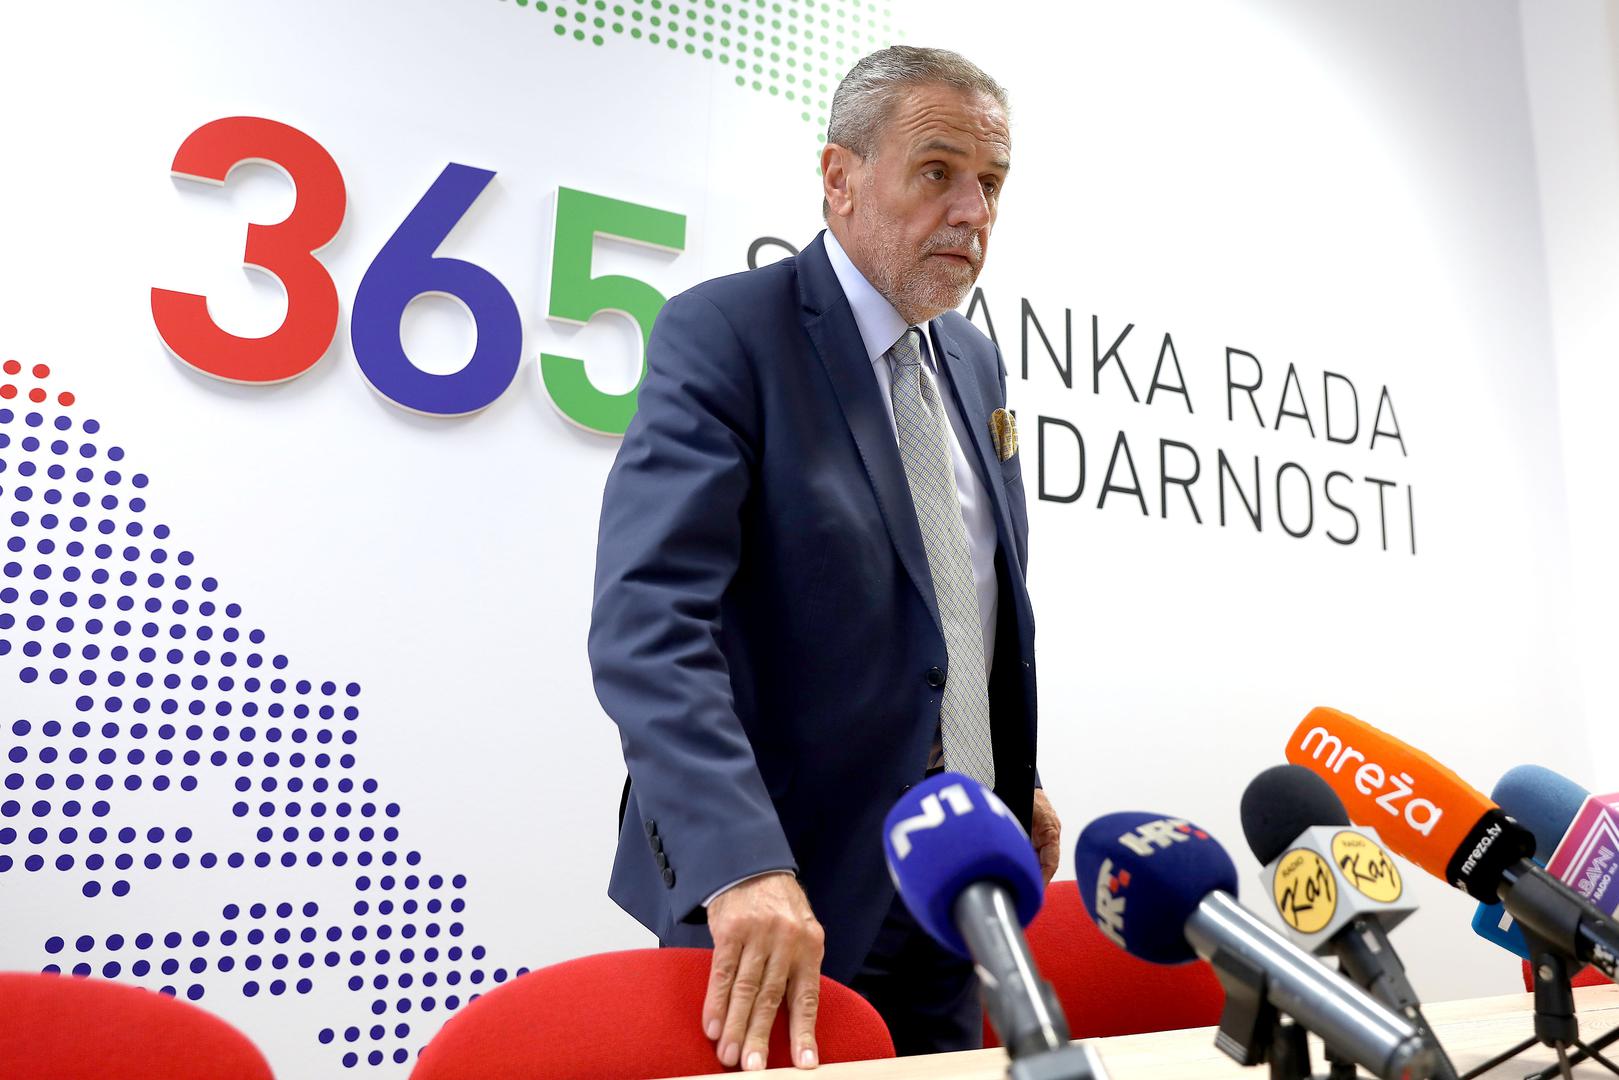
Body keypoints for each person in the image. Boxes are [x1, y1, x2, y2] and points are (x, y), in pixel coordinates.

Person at [588, 45, 1060, 1071]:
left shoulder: (972, 358)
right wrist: (739, 862)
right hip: (779, 895)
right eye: (937, 172)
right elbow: (648, 624)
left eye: (991, 182)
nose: (973, 211)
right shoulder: (728, 331)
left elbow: (955, 604)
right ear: (839, 177)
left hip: (945, 883)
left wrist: (993, 769)